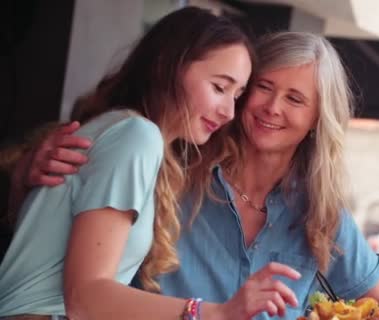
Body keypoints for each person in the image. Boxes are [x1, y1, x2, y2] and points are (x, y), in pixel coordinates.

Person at [9, 32, 379, 319]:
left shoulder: (319, 211)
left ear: (318, 119)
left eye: (295, 98)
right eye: (262, 87)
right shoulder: (173, 166)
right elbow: (62, 212)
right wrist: (27, 170)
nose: (272, 107)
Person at [0, 6, 253, 320]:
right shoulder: (136, 136)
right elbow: (86, 298)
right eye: (219, 87)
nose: (229, 112)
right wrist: (211, 313)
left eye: (237, 95)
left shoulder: (125, 133)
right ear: (167, 66)